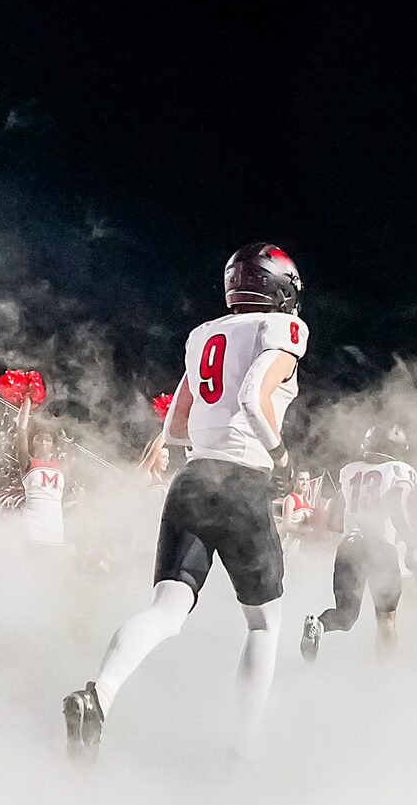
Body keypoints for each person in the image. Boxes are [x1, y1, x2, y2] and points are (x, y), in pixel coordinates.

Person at [65, 243, 307, 758]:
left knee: (167, 609)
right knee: (265, 623)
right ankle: (242, 753)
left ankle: (100, 693)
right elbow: (252, 401)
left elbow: (176, 423)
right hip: (243, 481)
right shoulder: (284, 329)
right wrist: (283, 461)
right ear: (281, 287)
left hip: (193, 477)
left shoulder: (203, 335)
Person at [305, 425, 417, 658]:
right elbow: (397, 503)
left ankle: (320, 625)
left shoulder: (349, 471)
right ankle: (385, 676)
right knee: (385, 617)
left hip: (349, 547)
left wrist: (352, 525)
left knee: (346, 615)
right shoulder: (399, 470)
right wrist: (412, 545)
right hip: (380, 548)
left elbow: (334, 519)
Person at [22, 424, 69, 549]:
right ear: (33, 441)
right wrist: (26, 406)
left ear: (52, 444)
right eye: (39, 438)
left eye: (47, 439)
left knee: (51, 565)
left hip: (55, 522)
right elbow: (21, 430)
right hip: (33, 521)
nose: (43, 442)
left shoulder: (61, 465)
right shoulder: (28, 462)